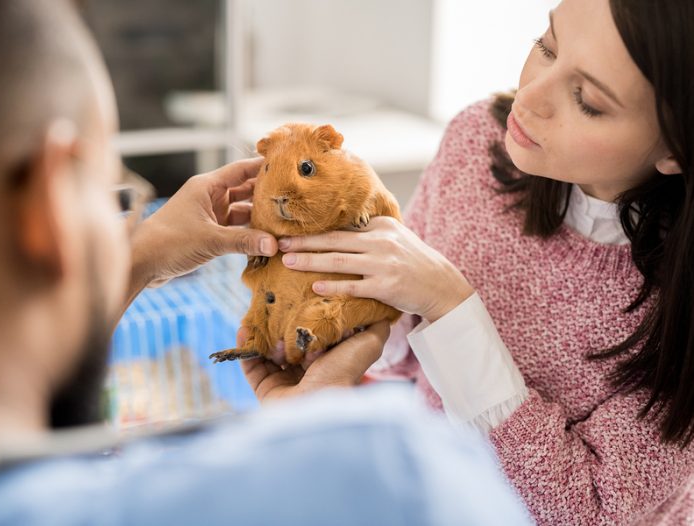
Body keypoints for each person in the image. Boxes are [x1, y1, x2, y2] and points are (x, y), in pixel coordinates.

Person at [0, 1, 532, 524]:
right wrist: (311, 424)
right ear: (53, 203)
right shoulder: (395, 474)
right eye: (116, 194)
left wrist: (140, 260)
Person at [268, 0, 694, 523]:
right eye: (547, 46)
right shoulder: (478, 140)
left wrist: (452, 309)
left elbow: (588, 513)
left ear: (676, 145)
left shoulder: (680, 296)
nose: (530, 97)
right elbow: (403, 351)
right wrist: (330, 316)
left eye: (586, 100)